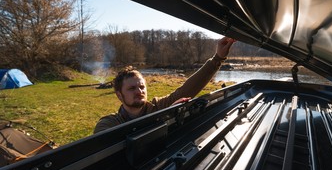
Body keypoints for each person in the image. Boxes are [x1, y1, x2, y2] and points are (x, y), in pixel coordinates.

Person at [94, 36, 236, 133]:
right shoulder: (108, 124)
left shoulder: (158, 106)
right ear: (119, 95)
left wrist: (218, 58)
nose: (139, 91)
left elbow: (186, 91)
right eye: (132, 88)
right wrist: (165, 116)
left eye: (142, 86)